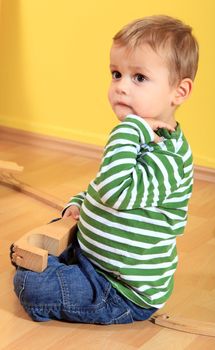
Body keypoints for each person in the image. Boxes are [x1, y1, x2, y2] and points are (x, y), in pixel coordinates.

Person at [12, 15, 199, 324]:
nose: (121, 87)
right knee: (48, 232)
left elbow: (114, 192)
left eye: (139, 78)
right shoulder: (138, 136)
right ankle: (63, 263)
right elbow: (101, 185)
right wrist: (78, 203)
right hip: (95, 258)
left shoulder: (169, 157)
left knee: (31, 285)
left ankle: (55, 272)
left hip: (119, 288)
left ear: (178, 92)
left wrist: (127, 129)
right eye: (116, 74)